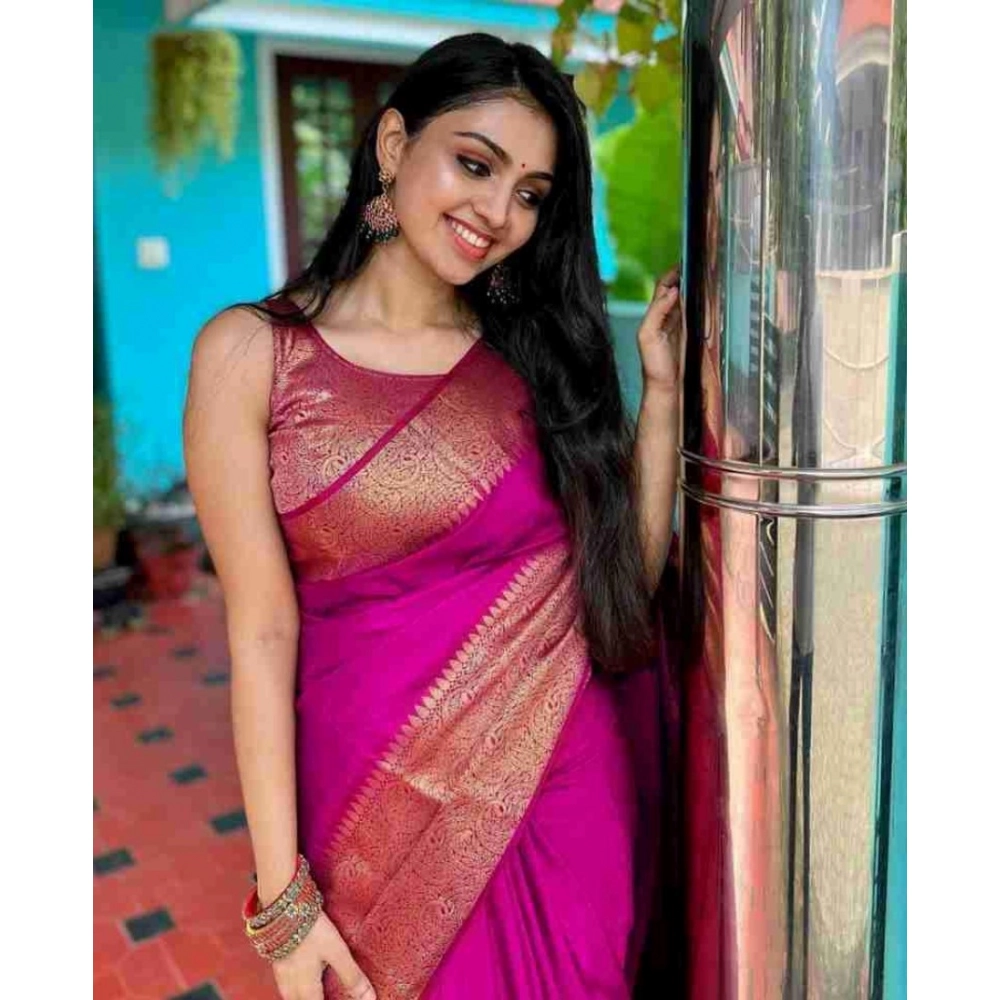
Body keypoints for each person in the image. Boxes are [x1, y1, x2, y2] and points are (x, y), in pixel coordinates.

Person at [183, 32, 681, 1000]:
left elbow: (622, 593)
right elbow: (262, 630)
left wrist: (658, 398)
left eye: (531, 194)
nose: (497, 213)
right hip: (366, 805)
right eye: (475, 164)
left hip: (564, 793)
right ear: (392, 144)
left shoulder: (532, 363)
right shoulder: (250, 355)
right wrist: (285, 906)